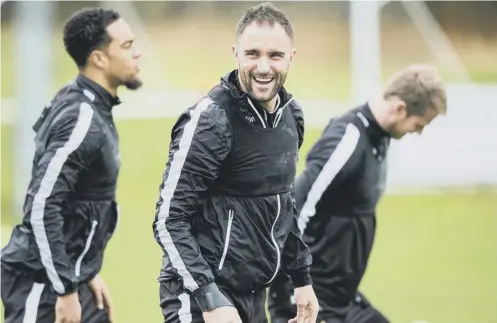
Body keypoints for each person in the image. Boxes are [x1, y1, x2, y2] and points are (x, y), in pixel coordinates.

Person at [152, 2, 319, 323]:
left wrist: (302, 279)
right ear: (236, 53)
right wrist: (209, 296)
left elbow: (284, 205)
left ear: (292, 58)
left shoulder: (292, 116)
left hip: (254, 296)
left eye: (275, 56)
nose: (263, 67)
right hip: (199, 298)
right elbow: (168, 219)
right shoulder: (209, 120)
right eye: (252, 54)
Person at [268, 64, 447, 323]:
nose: (418, 132)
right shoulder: (348, 138)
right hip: (309, 296)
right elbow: (295, 205)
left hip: (342, 298)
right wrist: (295, 283)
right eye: (419, 124)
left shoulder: (380, 138)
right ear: (399, 108)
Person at [1, 7, 142, 323]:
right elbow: (41, 204)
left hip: (70, 275)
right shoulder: (81, 118)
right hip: (41, 284)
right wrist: (65, 288)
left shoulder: (89, 102)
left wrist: (84, 270)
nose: (138, 53)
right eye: (127, 46)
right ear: (99, 59)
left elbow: (76, 201)